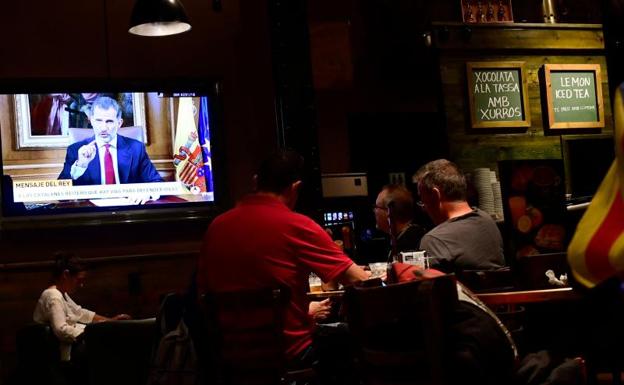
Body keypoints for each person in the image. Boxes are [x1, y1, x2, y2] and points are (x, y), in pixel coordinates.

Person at [196, 149, 370, 370]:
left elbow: (202, 296)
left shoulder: (215, 227)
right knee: (357, 339)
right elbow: (358, 280)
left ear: (255, 182)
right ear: (295, 187)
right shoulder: (296, 225)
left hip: (228, 362)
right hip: (288, 356)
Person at [33, 252, 131, 362]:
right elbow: (62, 330)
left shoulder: (61, 294)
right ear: (65, 275)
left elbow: (81, 313)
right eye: (79, 280)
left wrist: (110, 321)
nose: (81, 285)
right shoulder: (53, 296)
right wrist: (93, 332)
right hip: (64, 354)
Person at [413, 159, 505, 273]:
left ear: (436, 195)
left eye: (423, 200)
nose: (424, 208)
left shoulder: (435, 240)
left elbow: (426, 288)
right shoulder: (487, 221)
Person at [58, 96, 162, 187]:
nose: (103, 128)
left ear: (119, 123)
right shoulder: (75, 150)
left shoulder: (136, 148)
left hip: (127, 207)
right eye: (98, 121)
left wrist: (147, 193)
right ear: (91, 121)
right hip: (92, 209)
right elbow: (61, 191)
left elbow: (157, 182)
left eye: (109, 121)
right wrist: (81, 165)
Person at [373, 184, 426, 256]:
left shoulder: (410, 243)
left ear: (389, 211)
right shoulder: (402, 237)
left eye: (377, 207)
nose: (374, 211)